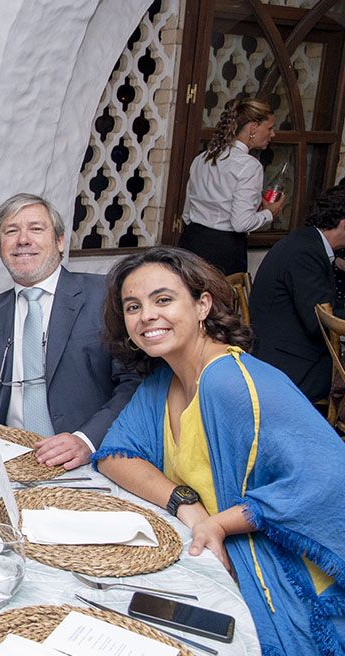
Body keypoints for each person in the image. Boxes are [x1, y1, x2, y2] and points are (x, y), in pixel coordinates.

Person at [92, 246, 345, 655]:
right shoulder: (164, 380)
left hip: (286, 577)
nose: (147, 316)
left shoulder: (229, 382)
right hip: (209, 548)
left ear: (203, 305)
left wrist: (221, 524)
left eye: (164, 299)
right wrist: (188, 505)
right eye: (133, 306)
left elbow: (331, 476)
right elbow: (115, 455)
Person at [0, 194, 139, 469]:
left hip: (88, 461)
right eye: (10, 231)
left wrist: (87, 439)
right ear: (0, 247)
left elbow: (134, 383)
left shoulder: (105, 296)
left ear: (60, 241)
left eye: (36, 229)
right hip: (8, 459)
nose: (23, 240)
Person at [248, 183, 345, 401]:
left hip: (286, 351)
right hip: (288, 367)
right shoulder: (305, 253)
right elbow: (319, 322)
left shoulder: (307, 241)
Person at [178, 98, 284, 275]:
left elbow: (187, 214)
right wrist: (269, 213)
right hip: (222, 250)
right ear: (253, 127)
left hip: (190, 242)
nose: (272, 134)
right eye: (270, 128)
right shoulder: (249, 165)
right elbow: (241, 223)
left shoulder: (202, 157)